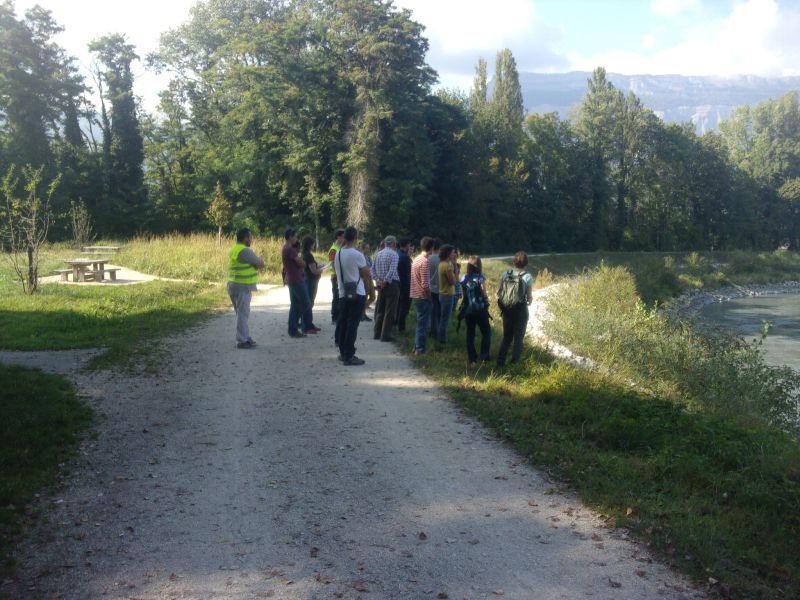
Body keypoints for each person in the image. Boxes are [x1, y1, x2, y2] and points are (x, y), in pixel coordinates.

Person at [335, 226, 372, 365]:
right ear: (356, 238)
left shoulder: (338, 253)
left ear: (344, 237)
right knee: (352, 325)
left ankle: (343, 352)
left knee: (344, 323)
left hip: (343, 292)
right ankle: (349, 355)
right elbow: (365, 273)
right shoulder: (357, 254)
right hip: (357, 293)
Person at [227, 228, 265, 349]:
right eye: (250, 237)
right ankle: (242, 340)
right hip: (242, 285)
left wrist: (256, 263)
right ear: (245, 238)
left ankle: (246, 337)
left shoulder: (234, 248)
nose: (251, 239)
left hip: (233, 284)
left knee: (241, 314)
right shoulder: (245, 251)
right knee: (243, 314)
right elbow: (261, 264)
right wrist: (258, 263)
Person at [496, 251, 534, 366]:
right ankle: (514, 364)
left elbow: (499, 292)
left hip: (507, 310)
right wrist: (529, 301)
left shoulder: (505, 274)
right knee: (518, 338)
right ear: (526, 263)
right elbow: (529, 297)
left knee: (507, 337)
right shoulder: (528, 277)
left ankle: (500, 362)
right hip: (520, 310)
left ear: (514, 262)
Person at [282, 228, 314, 338]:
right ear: (290, 236)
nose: (296, 239)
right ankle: (293, 324)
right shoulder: (290, 249)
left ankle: (293, 329)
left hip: (291, 279)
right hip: (296, 279)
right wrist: (303, 262)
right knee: (306, 303)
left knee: (295, 304)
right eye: (295, 236)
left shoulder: (285, 248)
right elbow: (301, 263)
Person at [460, 256, 491, 364]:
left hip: (468, 310)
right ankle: (484, 356)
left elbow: (463, 294)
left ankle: (472, 359)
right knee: (486, 332)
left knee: (470, 333)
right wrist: (486, 303)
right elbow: (484, 293)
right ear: (479, 265)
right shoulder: (480, 278)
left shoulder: (464, 278)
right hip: (480, 310)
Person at [371, 235, 400, 342]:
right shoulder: (394, 254)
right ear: (393, 243)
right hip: (391, 284)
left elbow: (372, 270)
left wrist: (378, 280)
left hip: (380, 284)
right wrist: (385, 281)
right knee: (390, 310)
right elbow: (392, 270)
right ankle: (385, 334)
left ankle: (377, 332)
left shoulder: (378, 254)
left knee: (380, 308)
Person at [410, 236, 434, 355]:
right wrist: (430, 298)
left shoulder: (416, 258)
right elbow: (425, 285)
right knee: (423, 325)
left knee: (420, 323)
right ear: (431, 248)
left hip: (415, 295)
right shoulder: (425, 262)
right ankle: (420, 349)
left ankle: (416, 347)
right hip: (423, 297)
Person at [302, 235, 324, 333]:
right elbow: (314, 271)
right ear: (310, 244)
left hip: (308, 280)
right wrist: (322, 269)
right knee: (309, 303)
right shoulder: (308, 255)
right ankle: (307, 326)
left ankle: (309, 324)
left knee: (309, 302)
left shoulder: (303, 254)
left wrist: (318, 266)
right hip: (311, 281)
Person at [436, 244, 457, 344]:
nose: (455, 254)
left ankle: (440, 338)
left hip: (442, 294)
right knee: (445, 319)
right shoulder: (448, 266)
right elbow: (453, 281)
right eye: (453, 252)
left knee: (442, 317)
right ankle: (442, 341)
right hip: (447, 295)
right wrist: (455, 267)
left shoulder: (441, 264)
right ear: (448, 254)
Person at [395, 237, 413, 332]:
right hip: (405, 284)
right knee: (405, 306)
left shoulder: (397, 254)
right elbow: (409, 271)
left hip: (398, 283)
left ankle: (396, 322)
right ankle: (401, 327)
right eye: (409, 245)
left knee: (398, 305)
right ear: (406, 245)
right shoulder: (405, 257)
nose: (410, 247)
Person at [328, 229, 345, 324]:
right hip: (336, 276)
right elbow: (333, 264)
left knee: (340, 296)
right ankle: (334, 317)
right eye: (343, 236)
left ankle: (339, 316)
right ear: (338, 237)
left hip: (340, 275)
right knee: (336, 296)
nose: (344, 238)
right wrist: (338, 276)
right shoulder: (334, 249)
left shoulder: (340, 247)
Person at [428, 239, 441, 337]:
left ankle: (432, 330)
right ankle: (437, 332)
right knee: (439, 312)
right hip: (439, 289)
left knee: (432, 312)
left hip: (429, 289)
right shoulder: (441, 259)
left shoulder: (428, 259)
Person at [360, 241, 375, 322]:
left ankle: (360, 312)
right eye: (367, 248)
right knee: (365, 297)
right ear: (363, 248)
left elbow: (372, 266)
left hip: (370, 278)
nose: (368, 250)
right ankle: (362, 314)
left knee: (373, 297)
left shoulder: (368, 257)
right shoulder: (360, 256)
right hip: (364, 278)